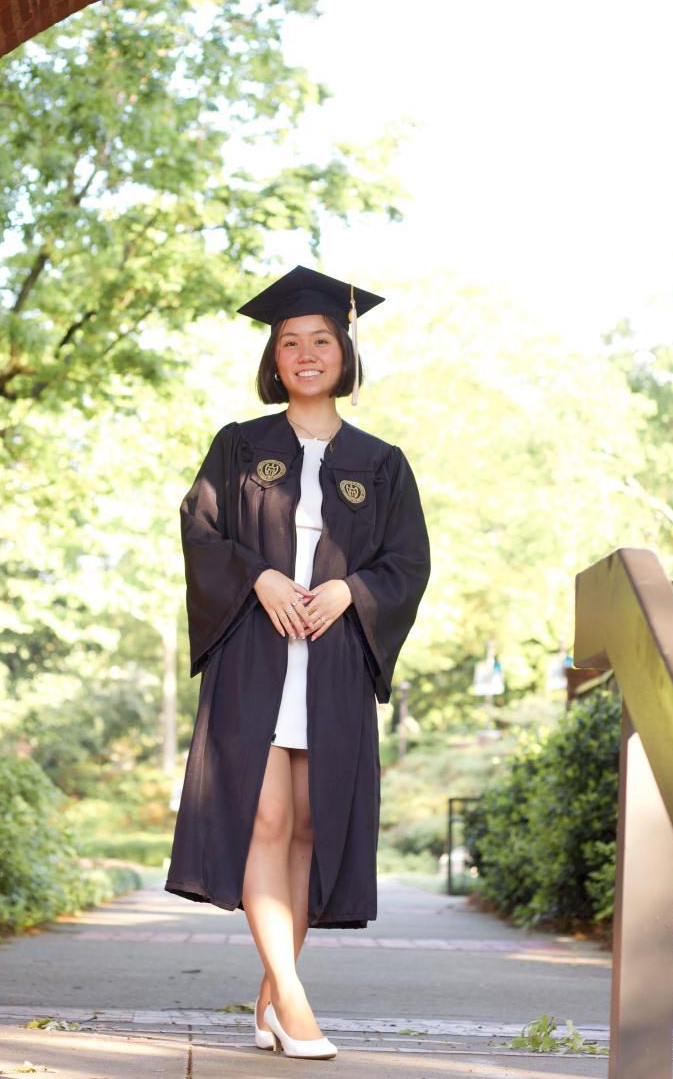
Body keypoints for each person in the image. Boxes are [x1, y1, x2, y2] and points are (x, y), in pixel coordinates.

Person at [165, 264, 431, 1060]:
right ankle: (297, 1000)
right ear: (273, 358)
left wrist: (352, 591)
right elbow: (201, 530)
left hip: (334, 655)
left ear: (345, 353)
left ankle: (271, 996)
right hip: (256, 650)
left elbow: (409, 561)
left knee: (313, 824)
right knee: (267, 819)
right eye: (290, 342)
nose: (306, 354)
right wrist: (260, 576)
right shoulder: (240, 446)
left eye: (321, 340)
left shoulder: (383, 461)